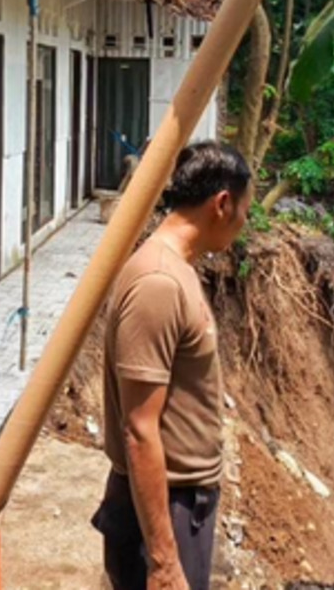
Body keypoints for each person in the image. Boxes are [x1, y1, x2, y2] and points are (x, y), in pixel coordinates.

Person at [93, 141, 253, 590]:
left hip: (179, 503)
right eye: (246, 210)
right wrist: (163, 561)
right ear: (222, 203)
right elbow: (139, 429)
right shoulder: (159, 283)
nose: (245, 222)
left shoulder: (177, 268)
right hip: (167, 507)